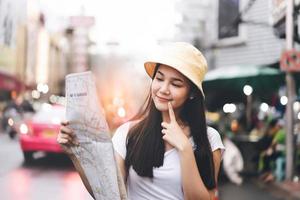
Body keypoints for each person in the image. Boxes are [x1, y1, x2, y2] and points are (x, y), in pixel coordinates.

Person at [57, 42, 225, 200]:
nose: (163, 89)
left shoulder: (209, 139)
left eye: (176, 83)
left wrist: (185, 148)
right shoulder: (128, 133)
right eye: (159, 79)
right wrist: (75, 154)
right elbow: (109, 194)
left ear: (192, 93)